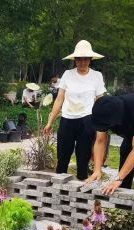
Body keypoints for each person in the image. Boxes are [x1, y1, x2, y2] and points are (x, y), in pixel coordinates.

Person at [43, 40, 106, 181]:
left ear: (90, 59)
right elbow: (59, 98)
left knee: (83, 159)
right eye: (79, 59)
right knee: (62, 157)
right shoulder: (67, 74)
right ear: (75, 60)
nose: (82, 62)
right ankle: (59, 190)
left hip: (87, 120)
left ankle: (81, 192)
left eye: (85, 59)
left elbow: (100, 102)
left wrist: (100, 126)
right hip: (67, 120)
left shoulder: (97, 76)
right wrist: (50, 122)